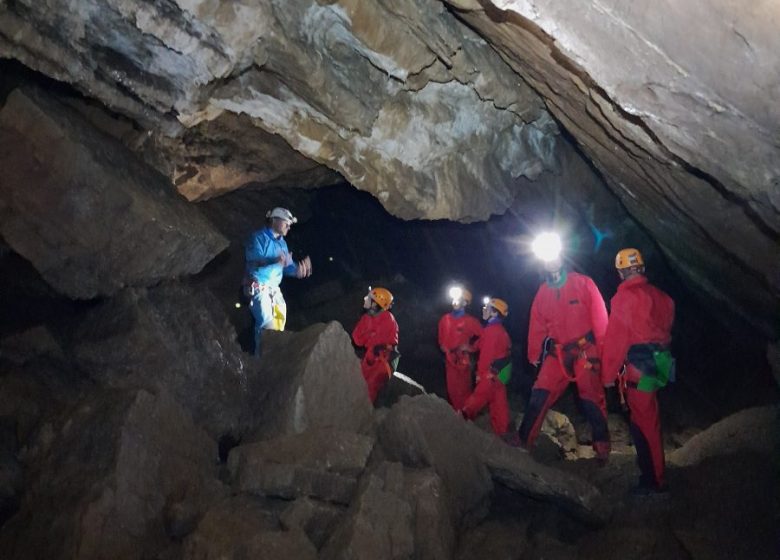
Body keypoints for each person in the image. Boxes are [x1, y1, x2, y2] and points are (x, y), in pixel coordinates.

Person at [517, 233, 610, 461]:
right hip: (557, 353)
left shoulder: (583, 283)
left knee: (591, 397)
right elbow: (537, 324)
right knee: (539, 393)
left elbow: (600, 318)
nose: (550, 262)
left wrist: (605, 351)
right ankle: (523, 442)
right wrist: (533, 354)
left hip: (585, 349)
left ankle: (602, 447)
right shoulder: (543, 292)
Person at [601, 248, 675, 495]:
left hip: (640, 367)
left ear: (621, 273)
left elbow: (616, 341)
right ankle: (652, 473)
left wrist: (608, 376)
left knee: (645, 421)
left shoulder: (624, 299)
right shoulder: (662, 297)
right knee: (644, 417)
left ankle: (655, 480)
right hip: (661, 363)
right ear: (641, 268)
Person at [244, 207, 312, 356]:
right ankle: (260, 362)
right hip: (258, 286)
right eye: (286, 223)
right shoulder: (257, 238)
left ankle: (273, 358)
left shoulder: (282, 243)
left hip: (274, 289)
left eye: (290, 224)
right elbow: (254, 262)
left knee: (279, 324)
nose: (289, 226)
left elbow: (285, 267)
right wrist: (274, 260)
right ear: (274, 220)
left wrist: (297, 271)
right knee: (266, 325)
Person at [461, 297, 512, 437]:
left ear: (494, 313)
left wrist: (480, 374)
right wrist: (470, 347)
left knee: (477, 398)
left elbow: (486, 356)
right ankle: (502, 432)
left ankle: (460, 419)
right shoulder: (497, 329)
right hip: (502, 372)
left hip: (492, 372)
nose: (484, 309)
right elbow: (481, 343)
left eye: (487, 308)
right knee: (498, 402)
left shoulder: (492, 331)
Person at [351, 287, 399, 403]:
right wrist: (368, 324)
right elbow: (357, 339)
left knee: (370, 386)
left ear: (375, 304)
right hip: (371, 356)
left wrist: (370, 335)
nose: (365, 299)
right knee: (357, 383)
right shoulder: (367, 317)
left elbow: (377, 340)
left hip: (385, 359)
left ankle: (365, 413)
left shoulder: (388, 317)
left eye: (369, 298)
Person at [438, 286, 482, 411]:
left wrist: (471, 347)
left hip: (463, 359)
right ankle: (458, 415)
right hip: (449, 359)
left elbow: (484, 337)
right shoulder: (444, 319)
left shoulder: (470, 321)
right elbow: (441, 337)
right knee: (451, 390)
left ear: (465, 303)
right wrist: (442, 345)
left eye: (459, 299)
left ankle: (466, 416)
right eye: (454, 299)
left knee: (463, 390)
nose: (455, 302)